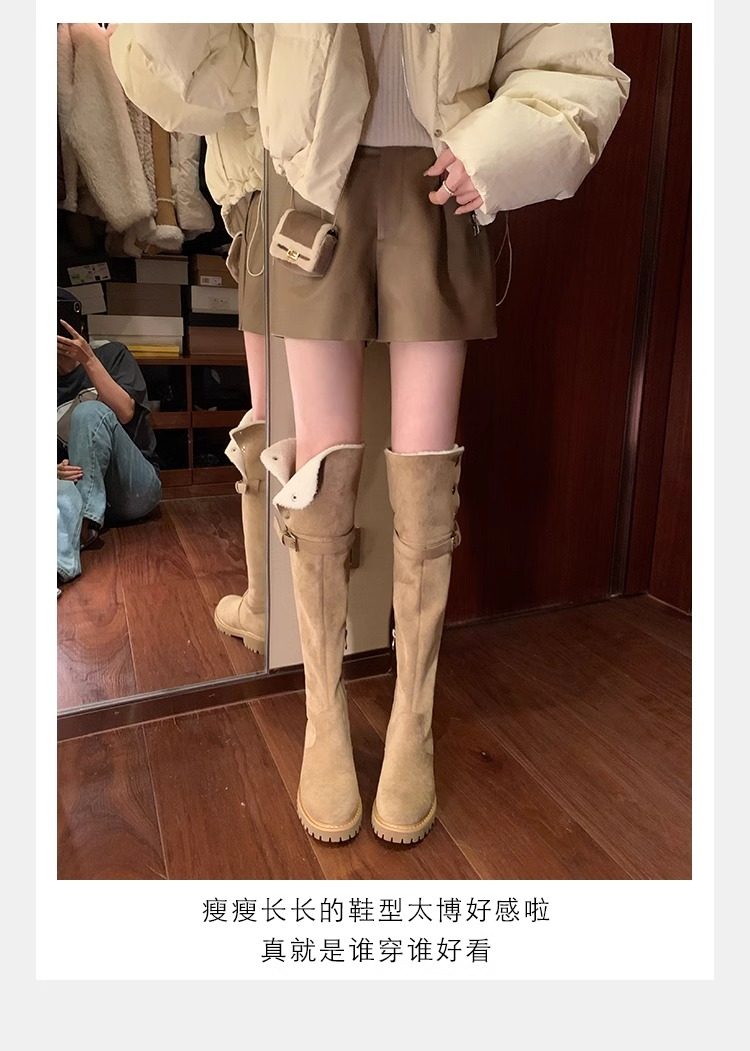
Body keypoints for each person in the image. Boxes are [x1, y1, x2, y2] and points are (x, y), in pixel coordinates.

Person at [110, 23, 630, 845]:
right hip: (307, 176)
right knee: (319, 463)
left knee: (427, 471)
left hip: (442, 174)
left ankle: (413, 718)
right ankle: (324, 715)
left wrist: (503, 145)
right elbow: (213, 59)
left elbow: (564, 47)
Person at [57, 288, 161, 583]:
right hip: (77, 490)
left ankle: (79, 530)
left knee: (90, 412)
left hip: (133, 489)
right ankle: (63, 557)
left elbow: (126, 412)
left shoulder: (110, 354)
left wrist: (88, 360)